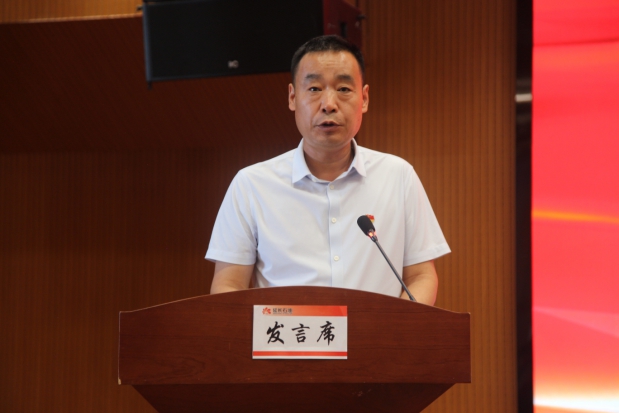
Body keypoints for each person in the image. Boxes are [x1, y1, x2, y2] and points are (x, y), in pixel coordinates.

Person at [205, 35, 450, 305]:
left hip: (376, 333)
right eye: (314, 89)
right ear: (292, 97)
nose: (329, 104)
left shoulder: (398, 176)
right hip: (286, 333)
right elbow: (229, 284)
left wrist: (394, 329)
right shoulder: (251, 185)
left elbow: (421, 277)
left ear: (364, 98)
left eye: (343, 89)